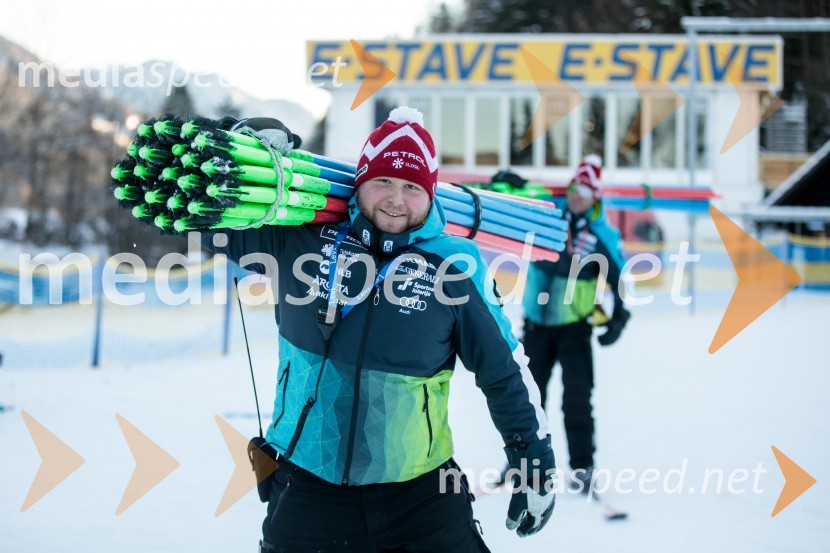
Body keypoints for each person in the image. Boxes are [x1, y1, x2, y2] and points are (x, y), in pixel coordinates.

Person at [202, 107, 555, 552]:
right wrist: (235, 151)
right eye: (383, 181)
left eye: (411, 187)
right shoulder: (300, 236)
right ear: (360, 181)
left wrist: (532, 459)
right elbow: (206, 221)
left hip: (421, 493)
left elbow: (504, 369)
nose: (395, 198)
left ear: (429, 195)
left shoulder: (455, 266)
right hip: (309, 482)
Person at [520, 155, 630, 492]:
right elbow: (514, 200)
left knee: (577, 399)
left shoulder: (602, 235)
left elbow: (620, 278)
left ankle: (583, 468)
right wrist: (505, 182)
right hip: (537, 325)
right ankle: (523, 465)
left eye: (584, 189)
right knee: (526, 399)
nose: (576, 194)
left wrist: (619, 317)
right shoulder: (548, 216)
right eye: (573, 187)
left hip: (575, 328)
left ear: (595, 195)